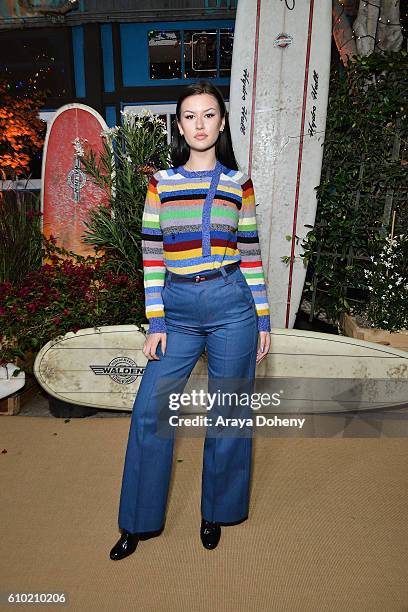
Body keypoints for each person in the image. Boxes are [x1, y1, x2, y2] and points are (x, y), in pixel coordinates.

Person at [110, 80, 271, 560]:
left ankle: (215, 512)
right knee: (149, 413)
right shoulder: (161, 183)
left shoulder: (238, 184)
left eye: (208, 115)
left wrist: (262, 320)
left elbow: (250, 254)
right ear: (178, 125)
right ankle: (136, 523)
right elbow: (152, 255)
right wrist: (155, 321)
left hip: (231, 305)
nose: (199, 124)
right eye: (189, 116)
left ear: (221, 123)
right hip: (176, 311)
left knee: (229, 411)